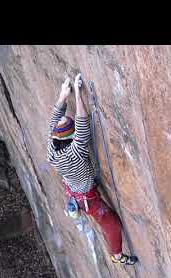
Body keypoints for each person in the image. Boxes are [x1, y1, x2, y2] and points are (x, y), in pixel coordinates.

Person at [47, 73, 138, 265]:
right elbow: (82, 126)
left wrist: (63, 96)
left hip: (74, 189)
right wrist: (78, 96)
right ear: (70, 139)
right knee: (113, 226)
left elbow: (53, 124)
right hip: (87, 198)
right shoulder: (76, 153)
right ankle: (117, 256)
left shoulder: (52, 150)